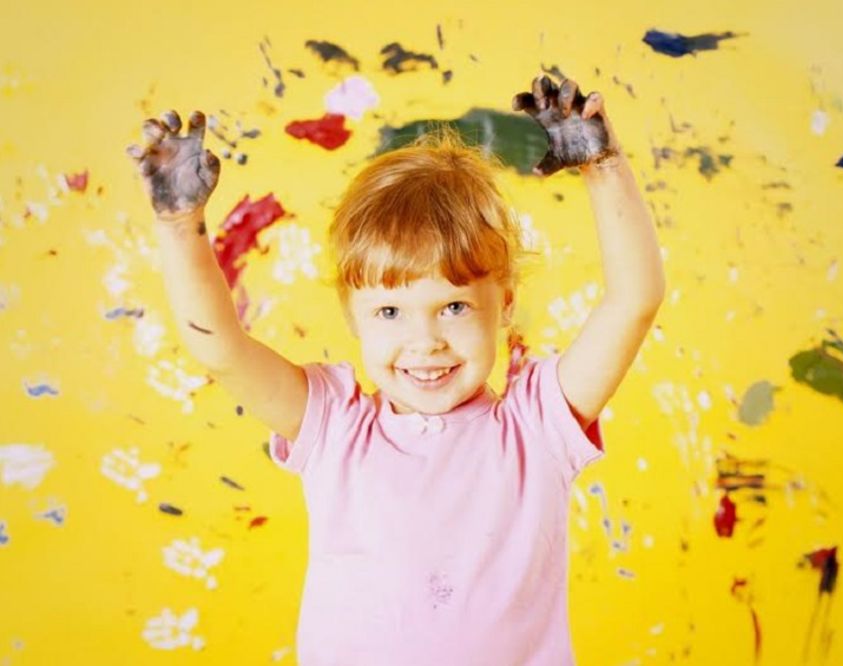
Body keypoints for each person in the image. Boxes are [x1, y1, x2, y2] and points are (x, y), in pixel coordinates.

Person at [127, 75, 665, 665]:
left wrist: (603, 165)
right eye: (389, 311)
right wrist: (180, 227)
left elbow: (634, 300)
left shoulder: (539, 426)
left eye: (453, 307)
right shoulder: (333, 428)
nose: (425, 342)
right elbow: (220, 349)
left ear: (504, 304)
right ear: (353, 318)